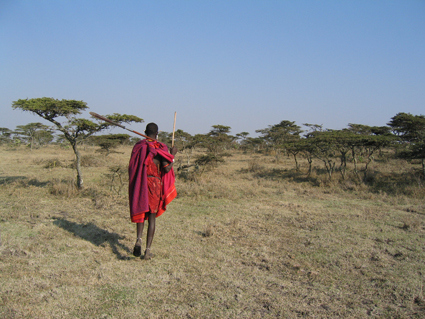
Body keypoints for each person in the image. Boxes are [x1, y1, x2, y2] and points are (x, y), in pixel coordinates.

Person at [128, 123, 178, 260]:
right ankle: (147, 251)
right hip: (154, 184)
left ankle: (138, 239)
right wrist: (172, 155)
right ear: (157, 134)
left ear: (145, 132)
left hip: (141, 182)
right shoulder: (160, 148)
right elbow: (167, 169)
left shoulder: (139, 146)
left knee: (141, 211)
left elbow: (132, 167)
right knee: (151, 218)